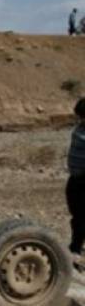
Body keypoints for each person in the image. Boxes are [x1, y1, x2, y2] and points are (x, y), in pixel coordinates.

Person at [67, 98, 85, 254]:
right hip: (76, 179)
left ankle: (76, 246)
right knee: (77, 216)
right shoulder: (78, 130)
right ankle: (76, 245)